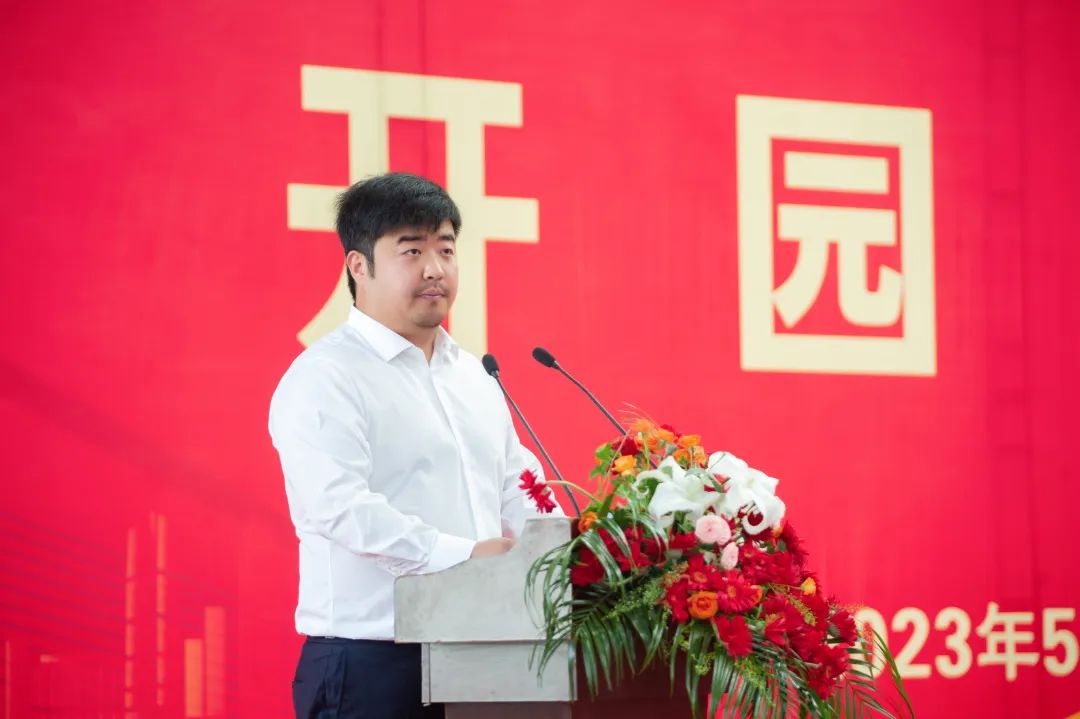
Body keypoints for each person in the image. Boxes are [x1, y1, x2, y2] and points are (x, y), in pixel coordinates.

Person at [268, 172, 558, 719]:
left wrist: (572, 554)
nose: (434, 269)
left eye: (446, 249)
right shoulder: (326, 376)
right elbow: (339, 508)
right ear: (359, 266)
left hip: (485, 654)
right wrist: (463, 556)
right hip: (372, 663)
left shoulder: (473, 375)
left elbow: (519, 489)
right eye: (412, 251)